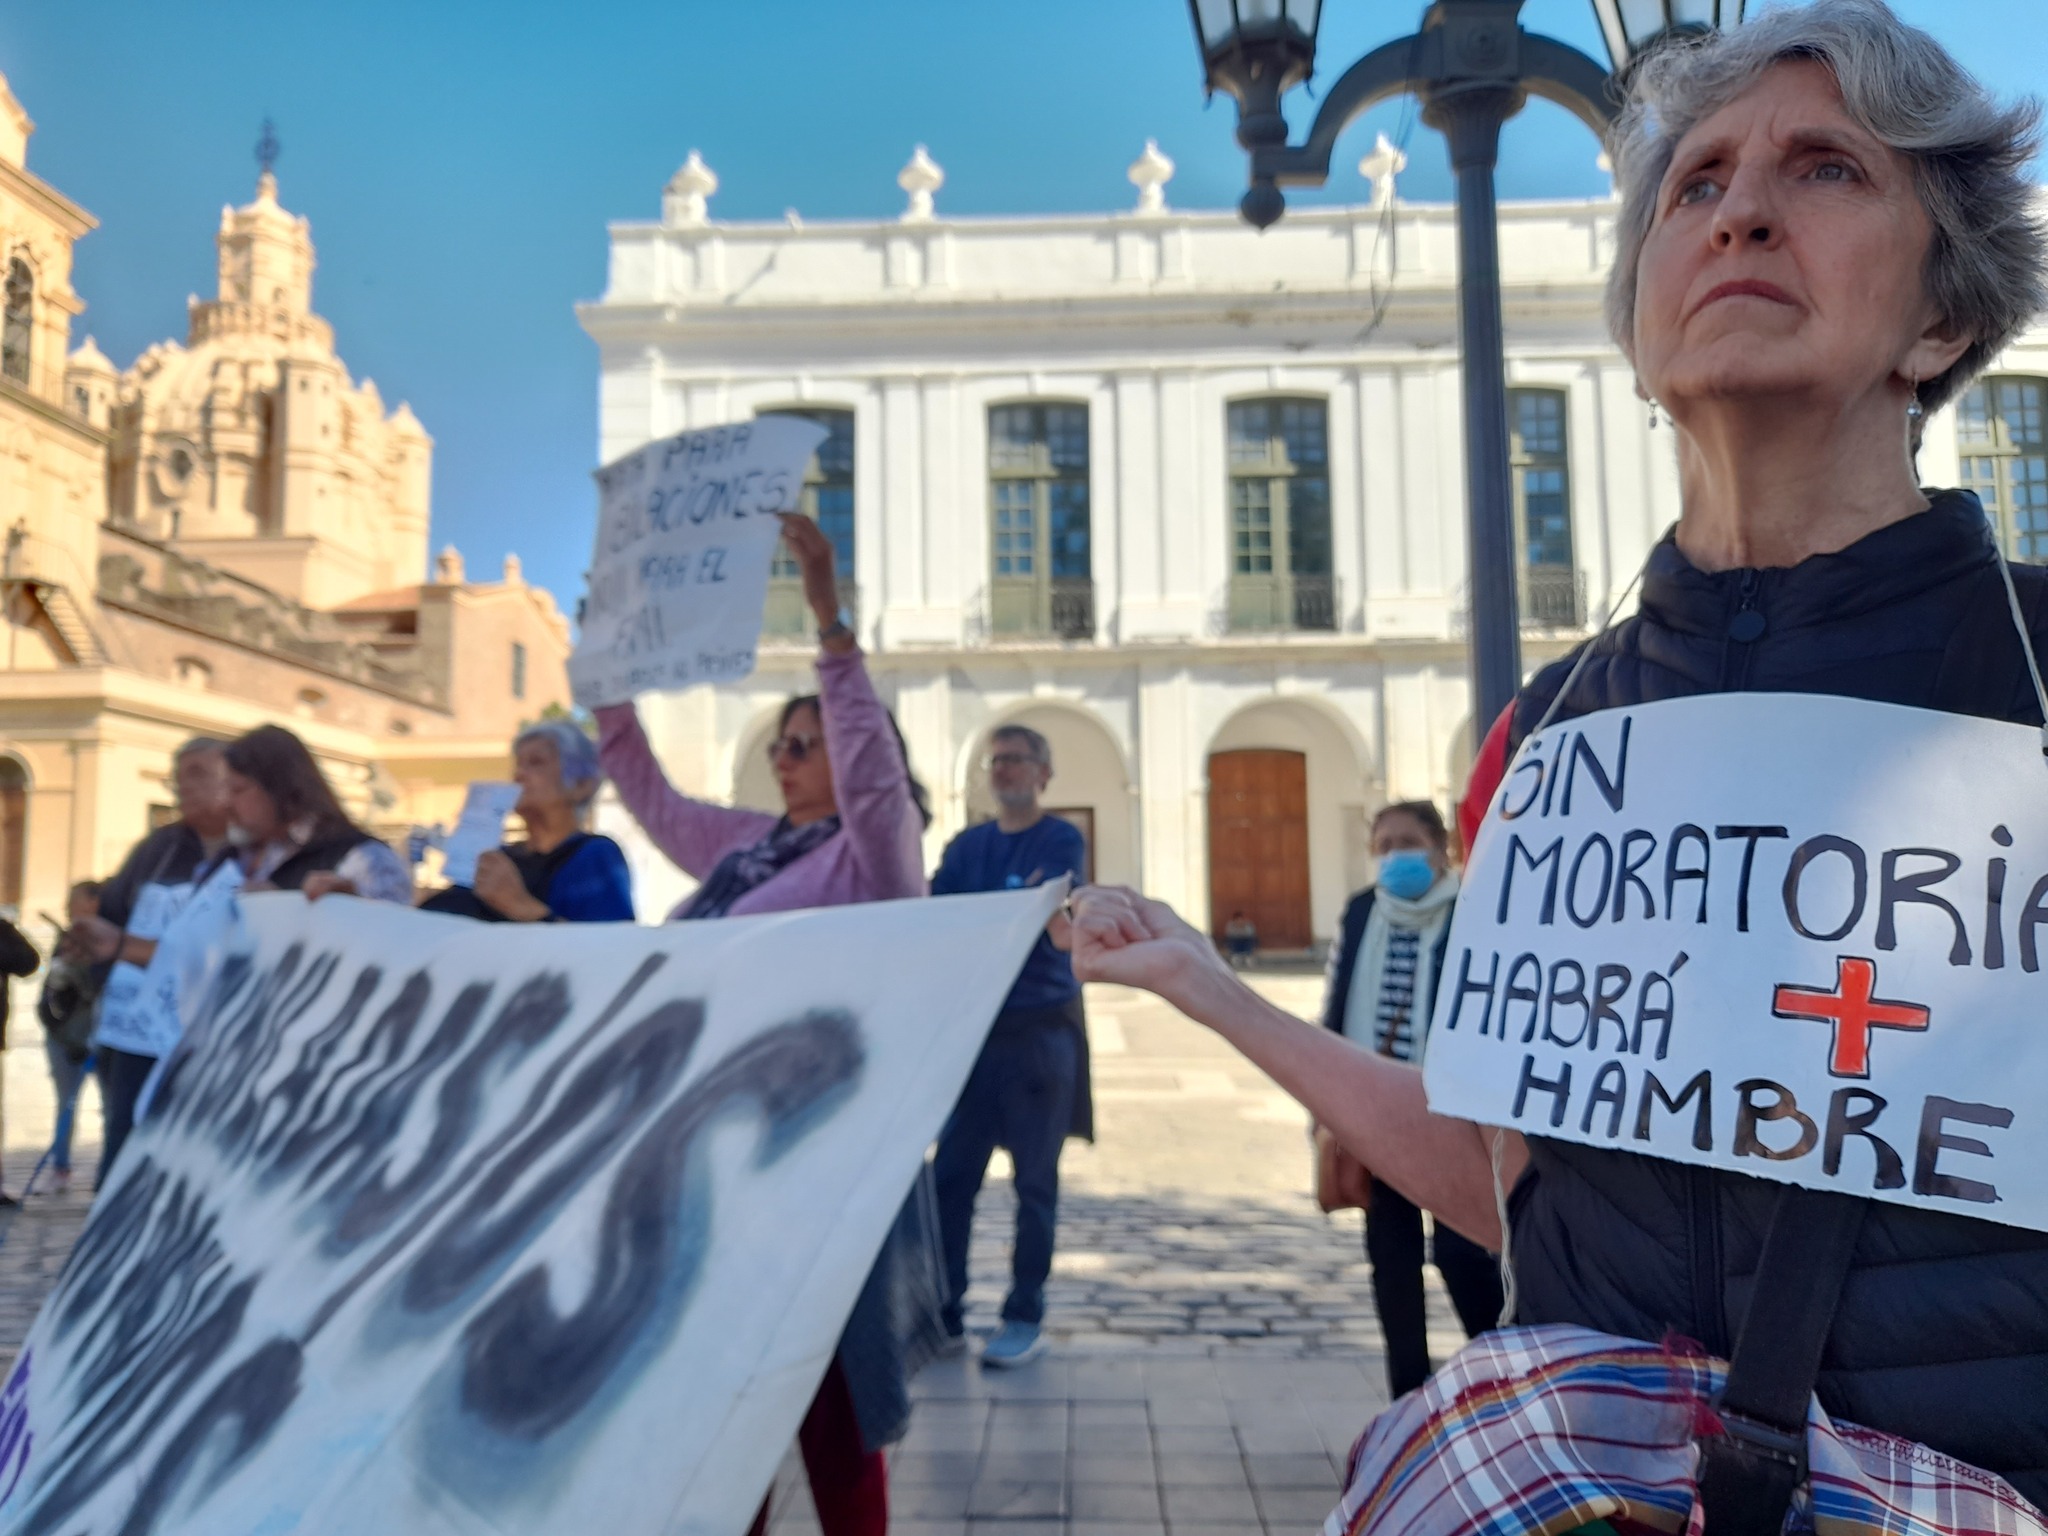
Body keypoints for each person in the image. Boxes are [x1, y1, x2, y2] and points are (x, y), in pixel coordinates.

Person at [1067, 0, 2048, 1512]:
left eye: (1827, 171)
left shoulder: (2038, 684)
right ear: (1645, 328)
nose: (1741, 216)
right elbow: (1508, 1184)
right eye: (1696, 185)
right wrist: (1203, 983)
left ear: (1944, 317)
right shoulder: (1555, 733)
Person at [598, 512, 935, 1536]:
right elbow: (652, 801)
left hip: (814, 1164)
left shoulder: (873, 857)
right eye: (781, 745)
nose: (787, 759)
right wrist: (606, 675)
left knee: (832, 1415)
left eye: (807, 745)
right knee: (718, 1404)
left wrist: (826, 614)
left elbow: (872, 774)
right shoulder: (749, 845)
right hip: (709, 1159)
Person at [1318, 801, 1500, 1399]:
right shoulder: (1363, 910)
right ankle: (1407, 1397)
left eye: (1408, 842)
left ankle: (1498, 1378)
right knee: (1392, 1260)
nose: (1395, 856)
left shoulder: (1473, 909)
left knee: (1463, 1254)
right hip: (1376, 1114)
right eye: (1385, 844)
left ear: (1440, 847)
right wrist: (1328, 1103)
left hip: (1454, 1115)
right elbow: (1337, 1001)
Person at [930, 725, 1092, 1369]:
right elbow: (941, 914)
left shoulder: (1060, 839)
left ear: (1043, 773)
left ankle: (1024, 1314)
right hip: (975, 1036)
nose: (1003, 770)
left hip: (1040, 1034)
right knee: (950, 1180)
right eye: (995, 761)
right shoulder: (967, 845)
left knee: (1033, 1186)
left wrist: (996, 914)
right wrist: (1001, 911)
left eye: (1017, 759)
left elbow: (1042, 911)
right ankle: (943, 1312)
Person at [64, 735, 230, 1182]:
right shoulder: (158, 847)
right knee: (124, 1159)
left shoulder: (256, 856)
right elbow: (115, 916)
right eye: (178, 776)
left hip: (209, 1043)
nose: (183, 785)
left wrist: (122, 946)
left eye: (197, 773)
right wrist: (89, 942)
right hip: (133, 1036)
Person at [421, 718, 634, 923]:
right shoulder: (501, 857)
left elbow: (608, 948)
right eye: (518, 765)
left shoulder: (594, 855)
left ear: (581, 785)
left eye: (536, 763)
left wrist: (520, 906)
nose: (519, 774)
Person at [35, 880, 104, 1193]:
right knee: (66, 1104)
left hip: (100, 1036)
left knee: (113, 1106)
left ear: (92, 903)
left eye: (74, 901)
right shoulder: (65, 941)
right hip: (63, 1036)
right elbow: (50, 990)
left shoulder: (108, 938)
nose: (68, 908)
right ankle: (60, 1169)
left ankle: (109, 1172)